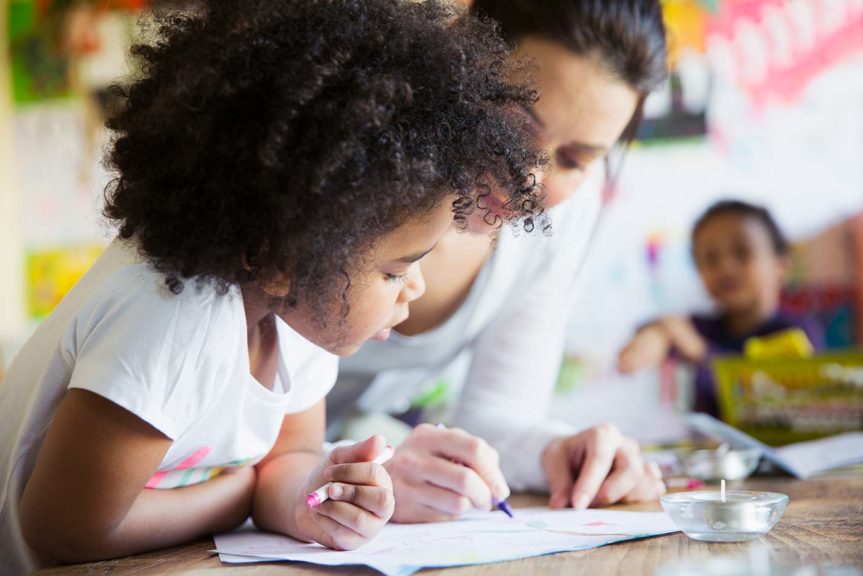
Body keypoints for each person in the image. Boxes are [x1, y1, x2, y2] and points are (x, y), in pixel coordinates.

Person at [0, 0, 546, 572]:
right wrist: (240, 494)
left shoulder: (296, 317)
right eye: (393, 270)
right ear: (287, 258)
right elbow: (64, 531)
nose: (414, 288)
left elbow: (289, 458)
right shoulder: (171, 315)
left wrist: (313, 500)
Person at [329, 0, 670, 523]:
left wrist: (556, 454)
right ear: (461, 51)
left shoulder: (562, 221)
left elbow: (496, 415)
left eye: (576, 159)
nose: (530, 178)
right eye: (514, 125)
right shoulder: (337, 157)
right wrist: (342, 472)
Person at [617, 200, 825, 415]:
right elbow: (650, 338)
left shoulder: (799, 331)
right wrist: (659, 332)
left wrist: (698, 351)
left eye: (742, 252)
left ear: (781, 266)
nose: (725, 267)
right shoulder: (701, 327)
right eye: (710, 258)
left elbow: (768, 398)